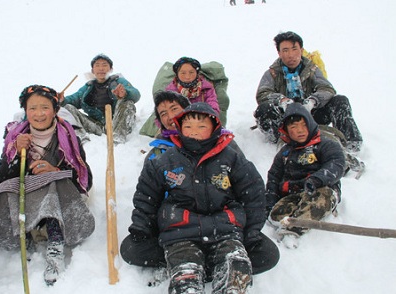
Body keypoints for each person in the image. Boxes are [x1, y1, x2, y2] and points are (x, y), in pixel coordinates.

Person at [127, 102, 269, 293]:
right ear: (179, 129)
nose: (194, 132)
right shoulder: (164, 160)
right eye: (188, 127)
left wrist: (252, 232)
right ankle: (189, 274)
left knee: (260, 255)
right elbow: (146, 196)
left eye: (201, 126)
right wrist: (142, 227)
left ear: (214, 129)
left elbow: (253, 194)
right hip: (181, 232)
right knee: (133, 249)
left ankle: (225, 273)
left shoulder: (231, 158)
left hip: (225, 230)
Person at [0, 85, 95, 286]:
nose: (38, 114)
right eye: (32, 108)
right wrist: (18, 155)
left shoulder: (69, 137)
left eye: (44, 107)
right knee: (5, 190)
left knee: (54, 180)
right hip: (28, 203)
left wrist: (55, 171)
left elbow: (85, 177)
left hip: (60, 201)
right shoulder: (14, 138)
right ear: (25, 111)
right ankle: (23, 236)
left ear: (55, 110)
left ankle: (56, 243)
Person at [254, 31, 363, 152]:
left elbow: (327, 89)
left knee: (340, 100)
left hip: (312, 116)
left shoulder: (312, 69)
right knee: (263, 110)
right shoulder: (272, 73)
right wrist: (282, 101)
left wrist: (312, 101)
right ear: (279, 53)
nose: (290, 55)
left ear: (301, 50)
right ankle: (282, 141)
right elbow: (262, 94)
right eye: (285, 50)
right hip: (285, 121)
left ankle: (351, 144)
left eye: (294, 49)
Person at [265, 102, 346, 249]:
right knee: (276, 214)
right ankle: (295, 218)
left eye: (303, 125)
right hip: (294, 194)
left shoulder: (326, 145)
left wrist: (316, 179)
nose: (299, 131)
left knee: (321, 198)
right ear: (287, 131)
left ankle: (294, 229)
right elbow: (273, 176)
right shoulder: (285, 153)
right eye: (294, 127)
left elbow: (336, 164)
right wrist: (269, 200)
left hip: (320, 189)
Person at [60, 53, 141, 144]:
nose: (101, 68)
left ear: (111, 69)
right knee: (67, 108)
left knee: (127, 103)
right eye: (97, 65)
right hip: (96, 125)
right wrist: (61, 100)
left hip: (116, 122)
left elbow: (136, 94)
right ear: (92, 70)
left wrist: (125, 93)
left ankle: (118, 138)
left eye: (104, 65)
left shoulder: (118, 81)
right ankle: (81, 138)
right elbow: (73, 100)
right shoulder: (88, 87)